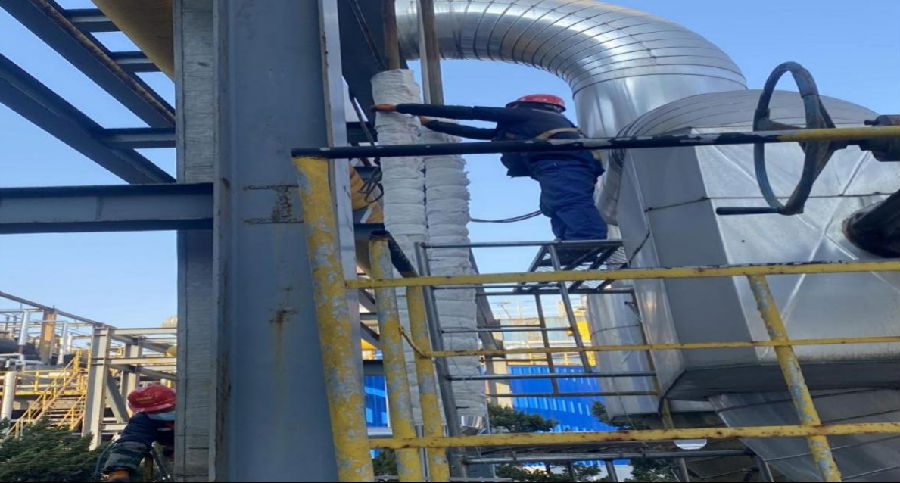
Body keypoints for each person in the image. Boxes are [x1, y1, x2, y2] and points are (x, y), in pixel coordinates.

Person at [373, 94, 608, 241]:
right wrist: (433, 124)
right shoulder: (533, 125)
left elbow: (471, 113)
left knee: (566, 201)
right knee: (552, 205)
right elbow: (477, 133)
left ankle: (586, 238)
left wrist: (401, 107)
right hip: (558, 167)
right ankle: (570, 240)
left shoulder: (530, 116)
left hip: (562, 164)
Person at [102, 385, 175, 482]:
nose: (159, 413)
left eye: (163, 410)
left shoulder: (193, 410)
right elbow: (133, 441)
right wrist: (120, 469)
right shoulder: (143, 419)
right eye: (154, 412)